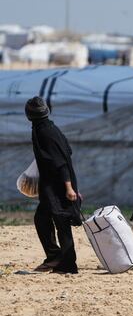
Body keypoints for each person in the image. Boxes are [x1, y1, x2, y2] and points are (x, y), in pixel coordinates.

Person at [26, 97, 82, 274]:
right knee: (42, 218)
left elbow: (61, 162)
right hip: (51, 185)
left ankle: (67, 264)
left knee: (62, 222)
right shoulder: (43, 128)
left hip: (59, 185)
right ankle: (55, 257)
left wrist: (69, 188)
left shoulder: (46, 132)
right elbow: (67, 152)